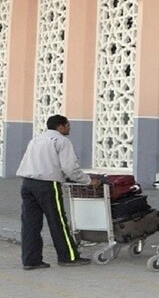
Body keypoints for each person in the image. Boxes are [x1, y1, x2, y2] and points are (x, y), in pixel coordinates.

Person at [16, 114, 100, 269]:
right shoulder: (62, 141)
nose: (69, 128)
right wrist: (88, 181)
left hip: (27, 183)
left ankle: (31, 260)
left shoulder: (36, 140)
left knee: (30, 224)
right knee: (58, 221)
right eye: (68, 125)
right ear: (60, 127)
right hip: (47, 184)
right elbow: (70, 168)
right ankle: (68, 257)